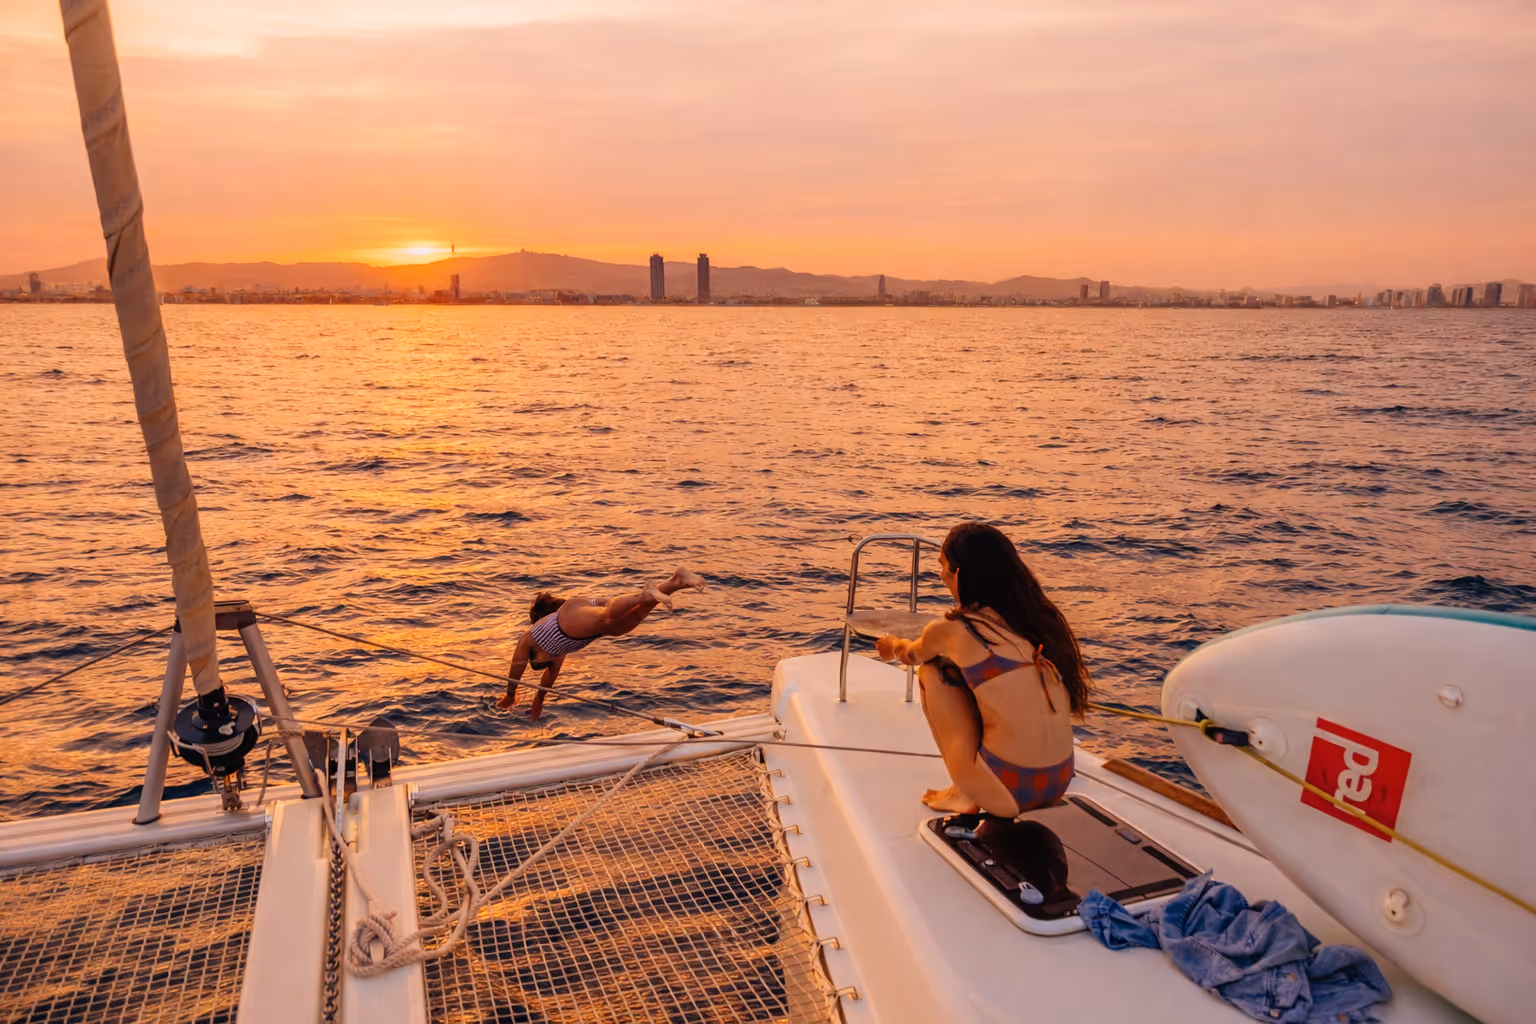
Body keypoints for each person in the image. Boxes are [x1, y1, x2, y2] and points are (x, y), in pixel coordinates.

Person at [875, 523, 1091, 817]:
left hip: (1008, 795)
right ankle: (978, 783)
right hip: (1059, 783)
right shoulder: (1035, 621)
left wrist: (892, 645)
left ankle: (964, 792)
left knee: (932, 672)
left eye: (943, 566)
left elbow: (910, 654)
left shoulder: (955, 628)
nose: (941, 575)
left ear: (960, 573)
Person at [501, 568, 705, 718]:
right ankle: (675, 582)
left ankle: (643, 594)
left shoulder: (529, 639)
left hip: (570, 617)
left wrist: (510, 695)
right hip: (580, 625)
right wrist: (539, 701)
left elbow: (515, 670)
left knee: (607, 616)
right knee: (628, 621)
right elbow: (549, 678)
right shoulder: (557, 652)